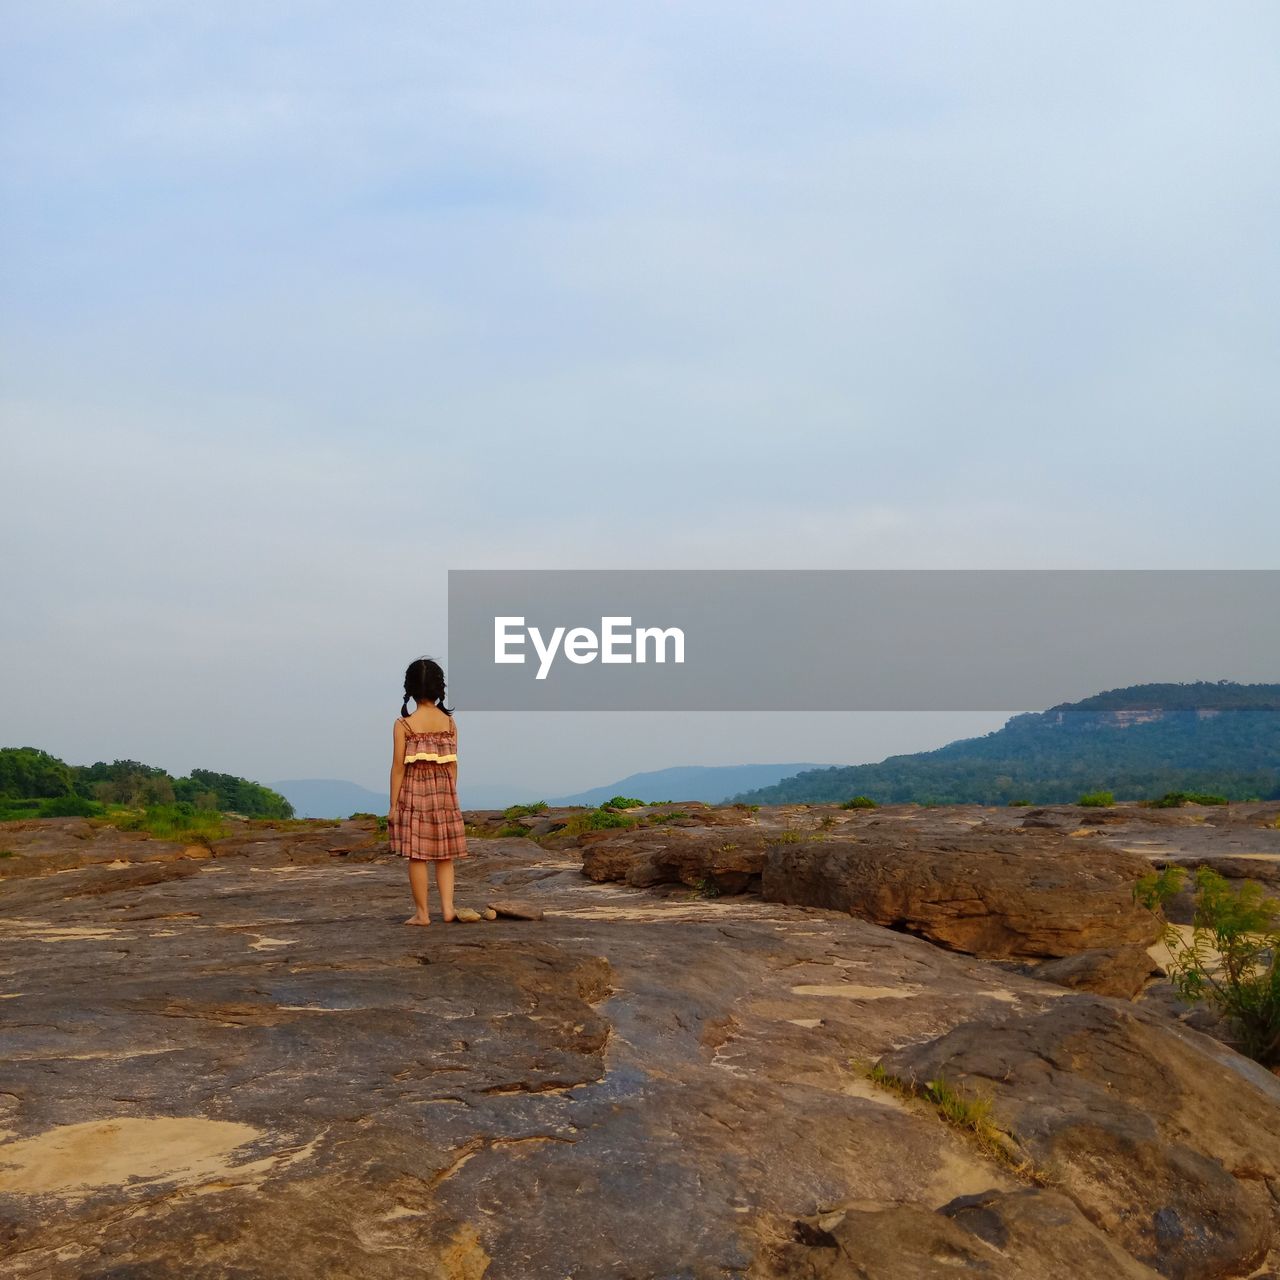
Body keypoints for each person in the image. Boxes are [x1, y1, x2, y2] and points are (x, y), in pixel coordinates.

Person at [388, 656, 468, 925]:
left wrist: (393, 805)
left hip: (414, 793)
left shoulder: (404, 725)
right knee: (445, 855)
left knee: (418, 855)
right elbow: (453, 764)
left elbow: (398, 767)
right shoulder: (449, 724)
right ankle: (448, 909)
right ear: (439, 688)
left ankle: (422, 913)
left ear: (410, 689)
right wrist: (450, 796)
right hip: (445, 793)